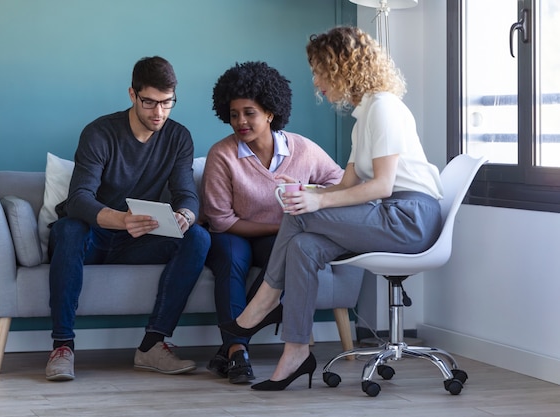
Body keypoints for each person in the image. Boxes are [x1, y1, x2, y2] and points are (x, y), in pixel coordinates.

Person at [220, 26, 444, 391]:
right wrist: (306, 190)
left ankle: (262, 302)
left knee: (299, 213)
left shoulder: (384, 108)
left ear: (343, 67)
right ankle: (295, 351)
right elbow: (347, 186)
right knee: (304, 246)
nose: (317, 82)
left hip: (409, 219)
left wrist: (315, 202)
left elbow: (383, 185)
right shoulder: (364, 115)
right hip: (387, 214)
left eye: (320, 71)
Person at [45, 56, 211, 381]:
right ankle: (62, 347)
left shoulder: (179, 138)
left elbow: (186, 194)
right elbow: (79, 199)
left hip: (138, 241)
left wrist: (185, 215)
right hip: (92, 236)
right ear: (132, 95)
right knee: (69, 229)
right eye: (150, 102)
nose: (159, 113)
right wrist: (122, 220)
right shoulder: (100, 133)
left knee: (198, 237)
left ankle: (152, 345)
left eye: (167, 103)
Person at [203, 61, 344, 384]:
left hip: (278, 237)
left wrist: (309, 193)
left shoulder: (304, 150)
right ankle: (237, 350)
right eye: (234, 113)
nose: (240, 121)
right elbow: (222, 220)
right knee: (230, 259)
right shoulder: (222, 155)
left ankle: (232, 349)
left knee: (287, 256)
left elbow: (340, 184)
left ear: (269, 112)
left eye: (249, 112)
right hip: (234, 233)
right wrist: (282, 228)